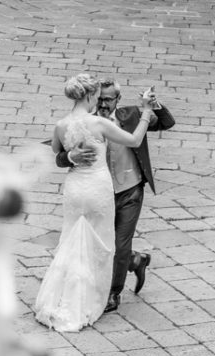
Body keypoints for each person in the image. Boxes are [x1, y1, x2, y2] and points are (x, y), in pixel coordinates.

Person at [34, 74, 155, 332]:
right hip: (98, 189)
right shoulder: (99, 123)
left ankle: (63, 296)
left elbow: (56, 151)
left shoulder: (61, 125)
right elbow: (133, 140)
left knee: (71, 239)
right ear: (89, 96)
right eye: (97, 97)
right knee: (101, 244)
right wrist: (145, 111)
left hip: (75, 188)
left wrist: (71, 154)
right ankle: (93, 298)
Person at [55, 78, 175, 313]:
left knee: (119, 244)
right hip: (99, 194)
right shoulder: (83, 124)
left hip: (128, 190)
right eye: (99, 98)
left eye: (108, 99)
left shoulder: (130, 117)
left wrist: (153, 104)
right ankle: (136, 260)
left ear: (118, 100)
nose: (102, 103)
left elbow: (167, 122)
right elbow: (59, 155)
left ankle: (113, 292)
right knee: (99, 243)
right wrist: (70, 158)